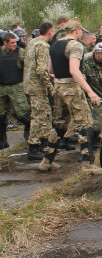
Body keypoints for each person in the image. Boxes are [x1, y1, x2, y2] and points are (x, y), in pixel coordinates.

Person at [45, 20, 101, 170]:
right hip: (71, 87)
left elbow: (50, 69)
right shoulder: (75, 45)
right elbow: (74, 70)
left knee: (59, 125)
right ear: (77, 30)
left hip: (58, 87)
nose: (82, 33)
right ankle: (88, 163)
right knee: (85, 123)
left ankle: (47, 160)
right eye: (81, 30)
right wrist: (90, 92)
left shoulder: (55, 45)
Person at [23, 22, 59, 161]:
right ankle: (33, 147)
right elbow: (41, 70)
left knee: (42, 115)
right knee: (40, 117)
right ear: (50, 32)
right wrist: (50, 87)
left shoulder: (32, 43)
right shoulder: (43, 45)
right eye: (53, 31)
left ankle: (43, 143)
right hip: (37, 87)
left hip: (29, 84)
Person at [0, 33, 31, 149]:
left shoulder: (20, 52)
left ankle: (31, 137)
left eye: (15, 42)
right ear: (5, 43)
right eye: (12, 43)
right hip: (2, 86)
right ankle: (2, 142)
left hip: (16, 86)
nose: (15, 45)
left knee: (23, 114)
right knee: (1, 115)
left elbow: (27, 66)